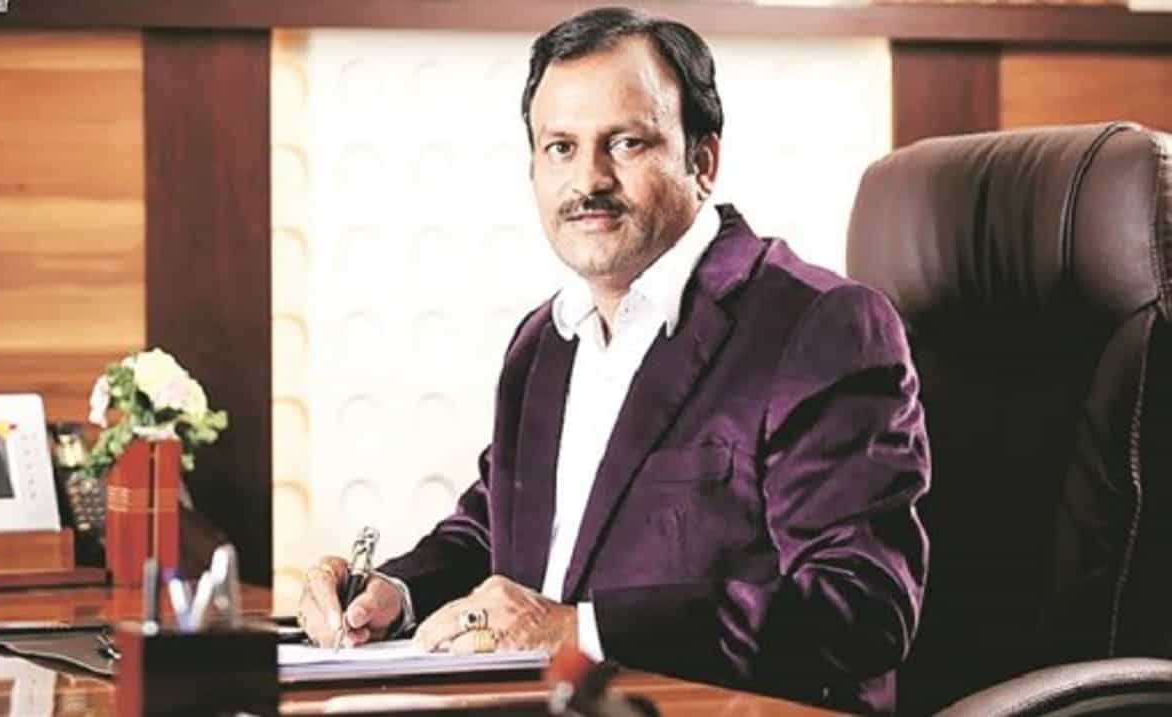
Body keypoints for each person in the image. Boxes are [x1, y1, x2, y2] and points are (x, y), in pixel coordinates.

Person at [298, 6, 929, 713]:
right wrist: (393, 591)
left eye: (626, 143)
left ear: (702, 161)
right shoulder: (545, 340)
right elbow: (497, 528)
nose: (588, 180)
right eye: (560, 148)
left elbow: (859, 606)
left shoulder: (819, 326)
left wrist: (583, 631)